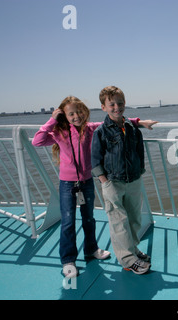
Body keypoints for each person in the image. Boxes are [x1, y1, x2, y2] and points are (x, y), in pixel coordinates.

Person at [32, 96, 156, 278]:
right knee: (68, 222)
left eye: (79, 112)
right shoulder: (59, 132)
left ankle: (91, 249)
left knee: (89, 218)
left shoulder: (90, 129)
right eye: (71, 113)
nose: (76, 116)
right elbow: (38, 140)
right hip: (67, 184)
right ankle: (68, 260)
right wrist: (53, 120)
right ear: (64, 116)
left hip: (86, 181)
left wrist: (140, 122)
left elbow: (115, 121)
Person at [91, 86, 155, 275]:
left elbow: (139, 152)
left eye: (120, 103)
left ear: (125, 103)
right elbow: (94, 160)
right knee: (119, 222)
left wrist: (140, 171)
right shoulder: (101, 132)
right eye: (112, 104)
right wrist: (105, 182)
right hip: (113, 182)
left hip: (133, 180)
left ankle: (132, 249)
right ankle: (127, 260)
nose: (117, 107)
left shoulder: (132, 128)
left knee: (135, 219)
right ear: (103, 107)